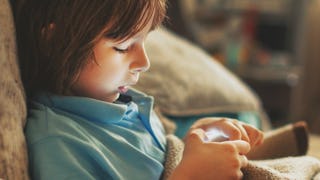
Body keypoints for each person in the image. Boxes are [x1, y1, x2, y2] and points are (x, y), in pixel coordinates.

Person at [14, 0, 264, 179]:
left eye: (144, 41)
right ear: (54, 42)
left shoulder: (120, 102)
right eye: (123, 47)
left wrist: (195, 140)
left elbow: (162, 160)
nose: (144, 63)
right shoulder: (59, 143)